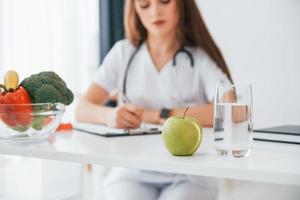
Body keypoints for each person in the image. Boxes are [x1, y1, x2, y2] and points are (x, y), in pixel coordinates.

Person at [76, 0, 232, 199]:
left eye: (164, 2)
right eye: (144, 5)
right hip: (132, 171)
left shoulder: (200, 59)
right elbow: (82, 109)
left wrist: (158, 115)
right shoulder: (123, 53)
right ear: (135, 11)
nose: (155, 11)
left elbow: (231, 111)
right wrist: (110, 116)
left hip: (191, 175)